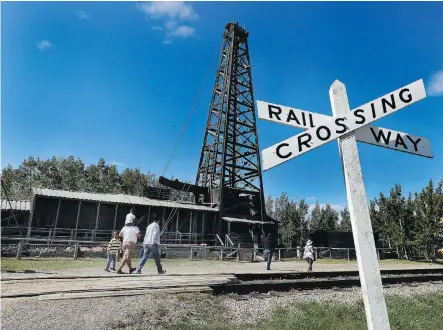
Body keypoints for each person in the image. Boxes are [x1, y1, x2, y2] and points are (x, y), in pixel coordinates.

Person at [117, 209, 141, 274]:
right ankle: (119, 269)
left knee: (127, 257)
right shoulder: (135, 228)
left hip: (124, 243)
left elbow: (120, 234)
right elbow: (138, 235)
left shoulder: (125, 227)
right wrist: (139, 234)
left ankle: (130, 269)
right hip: (131, 244)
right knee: (126, 257)